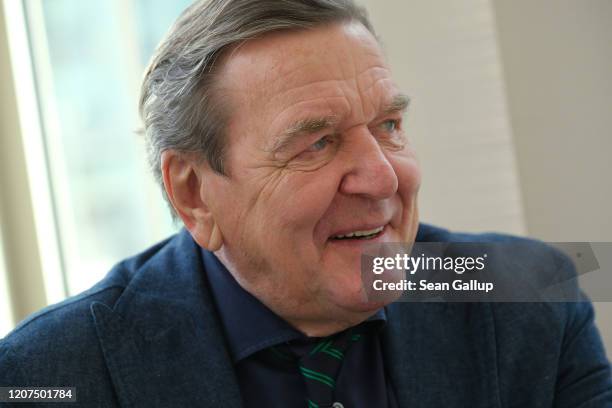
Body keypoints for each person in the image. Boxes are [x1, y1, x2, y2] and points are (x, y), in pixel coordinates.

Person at [1, 0, 611, 406]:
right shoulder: (48, 376)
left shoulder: (529, 297)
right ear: (194, 194)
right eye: (316, 143)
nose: (380, 177)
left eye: (390, 125)